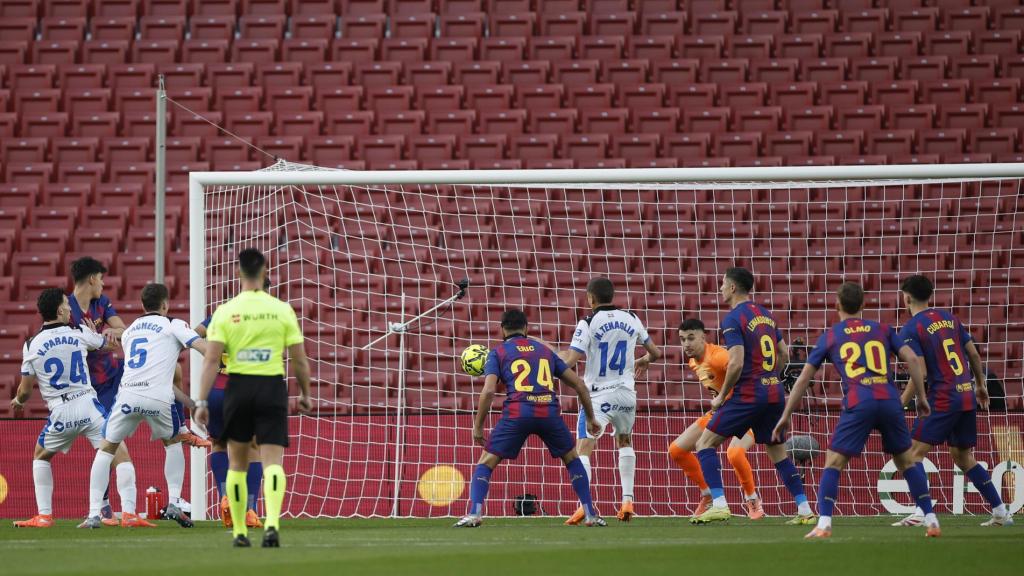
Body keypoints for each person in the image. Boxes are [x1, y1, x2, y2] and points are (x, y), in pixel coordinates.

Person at [772, 282, 940, 538]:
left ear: (836, 305)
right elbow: (914, 359)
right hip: (889, 400)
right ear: (863, 305)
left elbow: (804, 378)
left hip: (859, 401)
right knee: (906, 461)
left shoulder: (831, 335)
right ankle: (931, 520)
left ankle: (824, 524)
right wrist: (921, 397)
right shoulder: (882, 329)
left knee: (834, 462)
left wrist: (785, 416)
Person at [195, 249, 312, 548]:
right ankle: (271, 523)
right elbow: (298, 359)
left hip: (238, 387)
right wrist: (306, 393)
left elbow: (210, 360)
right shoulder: (281, 309)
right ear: (264, 272)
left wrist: (202, 401)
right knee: (272, 460)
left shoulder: (224, 310)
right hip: (271, 386)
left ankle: (239, 532)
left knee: (236, 462)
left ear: (238, 273)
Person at [453, 308, 604, 528]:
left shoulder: (498, 352)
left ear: (502, 330)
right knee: (572, 459)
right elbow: (579, 384)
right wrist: (591, 417)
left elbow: (488, 391)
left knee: (486, 463)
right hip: (548, 412)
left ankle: (475, 513)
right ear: (525, 328)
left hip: (517, 413)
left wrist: (478, 426)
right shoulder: (544, 352)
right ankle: (590, 513)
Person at [691, 267, 813, 525]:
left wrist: (722, 395)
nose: (720, 288)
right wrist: (770, 376)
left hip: (748, 392)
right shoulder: (765, 315)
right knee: (778, 452)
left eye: (723, 284)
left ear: (733, 287)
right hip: (773, 392)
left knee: (704, 444)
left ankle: (720, 504)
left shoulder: (733, 319)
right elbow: (783, 354)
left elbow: (735, 363)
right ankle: (804, 510)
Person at [81, 283, 207, 529]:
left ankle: (94, 513)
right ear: (165, 305)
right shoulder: (173, 324)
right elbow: (199, 346)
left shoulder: (129, 331)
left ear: (141, 305)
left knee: (106, 449)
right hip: (157, 397)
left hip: (127, 395)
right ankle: (173, 502)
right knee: (172, 442)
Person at [893, 275, 1012, 528]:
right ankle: (1001, 511)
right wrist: (980, 385)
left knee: (911, 454)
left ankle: (920, 512)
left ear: (907, 297)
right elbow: (973, 353)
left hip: (944, 397)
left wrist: (902, 400)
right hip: (966, 393)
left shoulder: (912, 328)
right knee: (962, 456)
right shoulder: (950, 318)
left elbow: (921, 372)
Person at [10, 288, 132, 528]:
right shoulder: (77, 332)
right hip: (88, 406)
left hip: (60, 412)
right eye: (66, 305)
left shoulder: (31, 344)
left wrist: (19, 402)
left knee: (41, 456)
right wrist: (96, 333)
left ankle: (44, 515)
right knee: (120, 454)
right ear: (59, 310)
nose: (69, 309)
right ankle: (126, 513)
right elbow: (109, 346)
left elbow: (24, 390)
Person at [562, 278, 661, 524]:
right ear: (612, 296)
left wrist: (550, 362)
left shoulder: (588, 322)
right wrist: (644, 360)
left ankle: (585, 505)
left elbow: (572, 359)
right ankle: (627, 499)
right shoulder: (631, 318)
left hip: (598, 395)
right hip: (627, 394)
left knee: (583, 448)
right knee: (624, 441)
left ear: (590, 298)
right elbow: (656, 352)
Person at [670, 318, 763, 519]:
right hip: (720, 411)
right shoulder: (693, 361)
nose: (686, 344)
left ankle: (752, 499)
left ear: (704, 337)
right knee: (677, 450)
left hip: (742, 410)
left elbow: (740, 367)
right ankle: (708, 494)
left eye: (691, 338)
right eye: (682, 339)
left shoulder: (718, 356)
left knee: (735, 454)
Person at [69, 256, 128, 524]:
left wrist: (105, 331)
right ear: (92, 278)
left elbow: (121, 328)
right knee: (106, 444)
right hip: (84, 388)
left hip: (109, 380)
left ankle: (105, 507)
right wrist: (90, 340)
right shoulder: (64, 309)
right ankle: (107, 506)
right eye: (101, 279)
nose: (104, 284)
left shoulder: (100, 304)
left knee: (106, 442)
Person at [195, 316, 264, 529]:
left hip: (215, 390)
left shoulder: (221, 314)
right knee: (252, 447)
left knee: (218, 444)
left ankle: (226, 497)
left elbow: (194, 334)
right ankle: (249, 512)